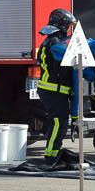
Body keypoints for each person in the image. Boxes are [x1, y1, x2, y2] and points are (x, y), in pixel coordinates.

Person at [35, 9, 78, 164]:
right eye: (68, 26)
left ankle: (54, 152)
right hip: (53, 91)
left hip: (53, 90)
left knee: (59, 122)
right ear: (62, 25)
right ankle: (52, 156)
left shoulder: (52, 40)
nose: (68, 29)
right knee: (58, 123)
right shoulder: (54, 43)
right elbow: (67, 53)